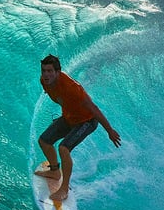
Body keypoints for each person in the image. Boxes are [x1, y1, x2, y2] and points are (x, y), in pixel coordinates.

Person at [35, 54, 121, 201]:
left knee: (63, 148)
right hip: (69, 117)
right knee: (44, 141)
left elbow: (93, 108)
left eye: (50, 71)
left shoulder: (73, 88)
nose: (46, 74)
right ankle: (55, 171)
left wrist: (109, 130)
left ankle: (64, 190)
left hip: (87, 121)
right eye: (44, 71)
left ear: (58, 72)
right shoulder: (44, 81)